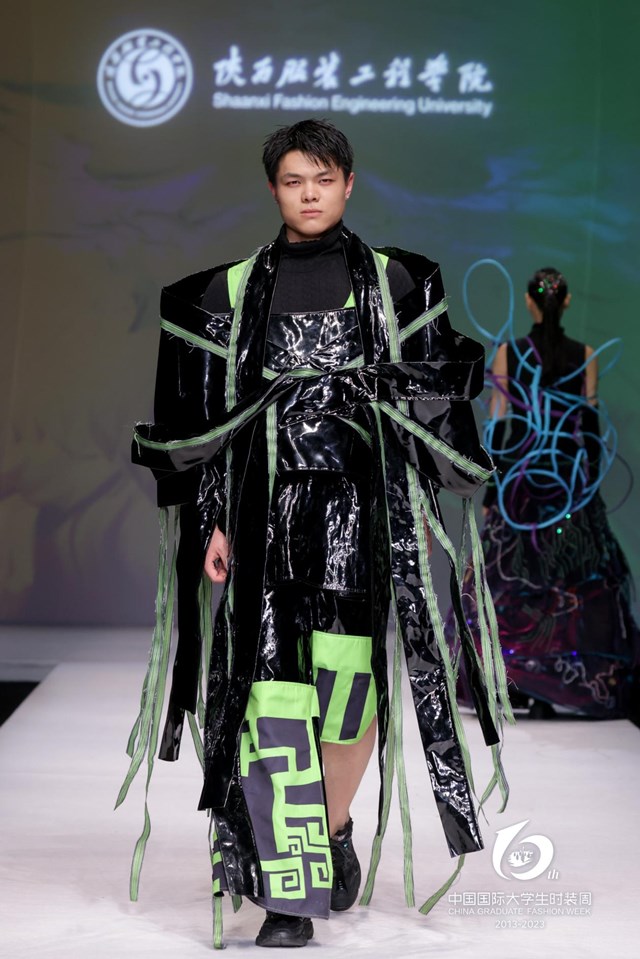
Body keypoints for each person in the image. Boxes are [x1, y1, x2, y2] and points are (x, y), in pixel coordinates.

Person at [124, 119, 504, 948]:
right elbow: (212, 420)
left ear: (348, 183)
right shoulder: (227, 292)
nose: (309, 193)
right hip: (263, 515)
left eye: (323, 179)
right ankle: (286, 889)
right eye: (294, 180)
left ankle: (330, 829)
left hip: (359, 517)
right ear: (274, 188)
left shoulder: (398, 282)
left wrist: (417, 483)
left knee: (346, 693)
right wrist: (213, 520)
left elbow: (432, 397)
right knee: (271, 693)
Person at [459, 267, 640, 720]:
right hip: (566, 484)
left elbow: (501, 431)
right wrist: (588, 489)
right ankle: (557, 683)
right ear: (569, 301)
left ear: (528, 302)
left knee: (514, 581)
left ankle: (516, 682)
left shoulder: (509, 353)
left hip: (522, 483)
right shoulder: (586, 355)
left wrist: (494, 492)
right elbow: (589, 431)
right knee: (567, 582)